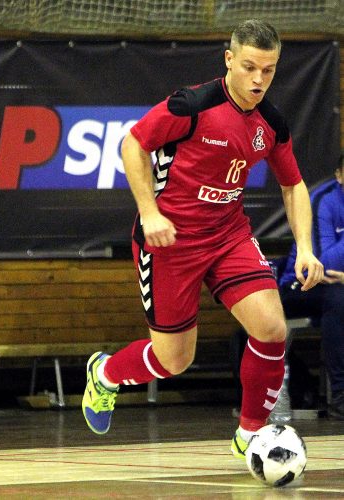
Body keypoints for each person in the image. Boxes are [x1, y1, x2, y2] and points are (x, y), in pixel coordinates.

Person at [81, 19, 324, 458]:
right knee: (174, 360)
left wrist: (305, 246)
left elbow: (293, 185)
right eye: (249, 67)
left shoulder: (271, 121)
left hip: (228, 235)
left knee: (271, 327)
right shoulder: (192, 105)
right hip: (170, 241)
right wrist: (150, 212)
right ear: (229, 60)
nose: (258, 80)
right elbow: (133, 145)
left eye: (268, 71)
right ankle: (106, 374)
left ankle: (250, 434)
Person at [278, 154, 344, 419]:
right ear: (339, 176)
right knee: (339, 297)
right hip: (300, 284)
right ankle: (340, 394)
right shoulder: (323, 201)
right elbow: (323, 263)